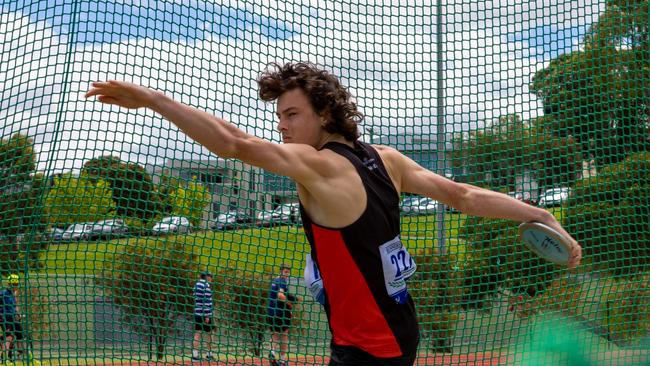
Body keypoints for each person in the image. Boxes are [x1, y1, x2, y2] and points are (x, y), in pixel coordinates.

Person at [86, 62, 581, 365]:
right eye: (278, 115)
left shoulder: (317, 166)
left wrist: (152, 99)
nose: (280, 125)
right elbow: (463, 196)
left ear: (324, 113)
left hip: (367, 348)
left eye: (291, 114)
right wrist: (537, 212)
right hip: (401, 330)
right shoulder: (386, 159)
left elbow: (233, 144)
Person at [267, 264, 298, 366]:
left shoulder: (275, 280)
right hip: (280, 313)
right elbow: (280, 295)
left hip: (271, 312)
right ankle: (283, 360)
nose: (287, 274)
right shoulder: (282, 282)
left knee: (275, 334)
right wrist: (289, 304)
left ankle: (272, 352)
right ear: (281, 271)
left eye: (288, 272)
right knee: (284, 334)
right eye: (285, 272)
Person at [192, 270, 215, 361]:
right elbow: (206, 301)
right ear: (207, 277)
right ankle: (209, 354)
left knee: (197, 333)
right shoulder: (206, 286)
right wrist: (207, 315)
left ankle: (195, 355)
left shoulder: (196, 285)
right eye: (211, 277)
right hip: (205, 314)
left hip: (197, 313)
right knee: (210, 333)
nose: (211, 279)